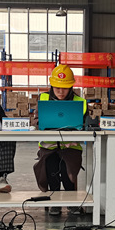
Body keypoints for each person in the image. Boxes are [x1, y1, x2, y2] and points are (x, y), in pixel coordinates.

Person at [32, 64, 86, 216]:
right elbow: (35, 121)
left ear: (71, 87)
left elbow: (85, 123)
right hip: (48, 147)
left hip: (71, 148)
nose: (61, 92)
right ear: (52, 86)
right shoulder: (43, 98)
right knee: (51, 167)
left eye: (65, 88)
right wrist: (41, 123)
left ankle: (72, 203)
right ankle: (54, 202)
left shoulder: (80, 102)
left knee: (66, 170)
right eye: (57, 88)